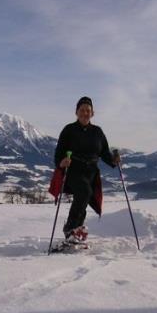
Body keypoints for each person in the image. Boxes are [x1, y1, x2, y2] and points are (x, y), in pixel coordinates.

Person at [54, 96, 121, 243]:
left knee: (84, 198)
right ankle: (71, 228)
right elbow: (58, 154)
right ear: (76, 112)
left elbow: (104, 153)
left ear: (92, 113)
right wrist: (62, 162)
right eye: (82, 110)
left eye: (88, 110)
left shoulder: (98, 132)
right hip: (73, 170)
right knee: (85, 192)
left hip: (91, 171)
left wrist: (114, 161)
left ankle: (77, 230)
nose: (85, 113)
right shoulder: (69, 130)